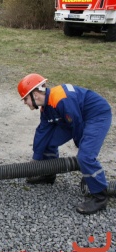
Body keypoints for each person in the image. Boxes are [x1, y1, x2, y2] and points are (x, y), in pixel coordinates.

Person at [17, 73, 112, 215]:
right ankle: (48, 173)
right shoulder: (46, 107)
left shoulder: (61, 99)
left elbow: (77, 126)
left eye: (25, 99)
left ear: (35, 95)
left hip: (96, 115)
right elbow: (42, 133)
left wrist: (84, 155)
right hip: (76, 116)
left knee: (85, 157)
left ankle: (99, 197)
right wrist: (36, 160)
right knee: (48, 142)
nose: (25, 103)